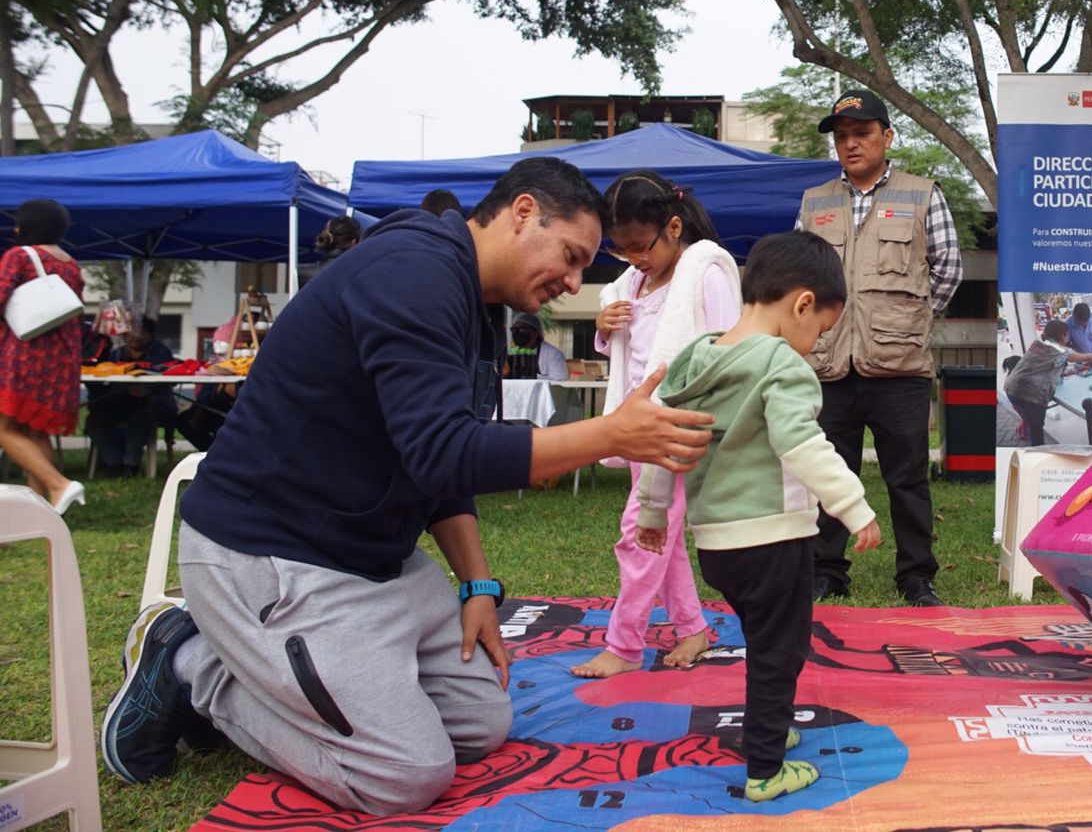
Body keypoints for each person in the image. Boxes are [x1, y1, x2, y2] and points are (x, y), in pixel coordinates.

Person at [100, 158, 717, 815]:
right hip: (276, 552)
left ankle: (305, 675)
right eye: (570, 257)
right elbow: (447, 453)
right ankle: (194, 666)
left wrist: (478, 587)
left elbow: (436, 465)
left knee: (480, 725)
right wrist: (610, 434)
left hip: (375, 559)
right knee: (404, 776)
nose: (571, 283)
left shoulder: (480, 304)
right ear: (524, 212)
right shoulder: (412, 274)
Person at [633, 230, 882, 802]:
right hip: (773, 539)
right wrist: (852, 507)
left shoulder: (698, 357)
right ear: (801, 304)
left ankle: (766, 725)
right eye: (820, 330)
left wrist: (652, 510)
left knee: (764, 639)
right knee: (781, 650)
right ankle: (765, 769)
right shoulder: (780, 365)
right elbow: (805, 443)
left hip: (718, 547)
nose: (815, 344)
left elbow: (662, 437)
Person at [797, 89, 962, 607]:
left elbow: (949, 268)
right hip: (829, 365)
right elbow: (797, 274)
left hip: (900, 368)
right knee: (828, 474)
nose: (851, 144)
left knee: (907, 477)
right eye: (842, 137)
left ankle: (916, 576)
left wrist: (906, 321)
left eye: (862, 134)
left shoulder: (921, 193)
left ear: (887, 137)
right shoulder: (815, 201)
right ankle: (827, 571)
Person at [574, 171, 740, 678]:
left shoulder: (705, 271)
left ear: (673, 227)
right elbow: (622, 347)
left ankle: (623, 645)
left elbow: (731, 348)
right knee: (658, 538)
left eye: (640, 246)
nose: (634, 258)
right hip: (637, 425)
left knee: (641, 532)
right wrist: (602, 331)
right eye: (621, 251)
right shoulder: (631, 283)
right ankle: (692, 629)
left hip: (677, 424)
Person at [0, 198, 86, 514]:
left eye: (20, 222)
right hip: (62, 359)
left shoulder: (19, 256)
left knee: (4, 429)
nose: (15, 228)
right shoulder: (69, 262)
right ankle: (39, 512)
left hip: (26, 356)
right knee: (34, 432)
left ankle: (58, 485)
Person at [85, 315, 177, 477]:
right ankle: (113, 461)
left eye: (140, 331)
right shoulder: (115, 355)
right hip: (118, 403)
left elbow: (169, 379)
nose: (135, 336)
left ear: (150, 334)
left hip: (151, 404)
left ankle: (130, 465)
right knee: (94, 420)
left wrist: (147, 390)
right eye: (130, 332)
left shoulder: (161, 353)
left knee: (140, 418)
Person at [1004, 319, 1071, 446]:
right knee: (1036, 433)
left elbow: (1043, 369)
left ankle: (1026, 433)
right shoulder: (1061, 352)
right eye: (1066, 334)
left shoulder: (1037, 344)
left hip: (1011, 390)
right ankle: (1037, 456)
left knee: (1029, 421)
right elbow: (1081, 357)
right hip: (1029, 396)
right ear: (1063, 336)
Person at [508, 312, 568, 380]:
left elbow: (560, 378)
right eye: (514, 329)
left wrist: (534, 378)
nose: (517, 332)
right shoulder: (512, 353)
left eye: (522, 328)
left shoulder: (553, 354)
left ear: (535, 332)